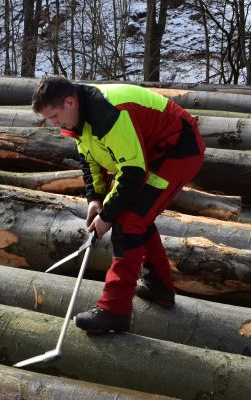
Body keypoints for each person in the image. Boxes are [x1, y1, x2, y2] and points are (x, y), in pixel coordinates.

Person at [32, 76, 205, 333]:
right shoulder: (79, 118)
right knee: (136, 215)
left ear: (69, 101)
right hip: (148, 151)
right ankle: (160, 286)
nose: (55, 124)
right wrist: (95, 200)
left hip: (178, 149)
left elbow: (133, 173)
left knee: (131, 219)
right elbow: (90, 162)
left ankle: (115, 310)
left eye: (54, 116)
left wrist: (109, 216)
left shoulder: (108, 113)